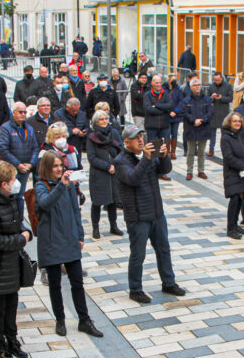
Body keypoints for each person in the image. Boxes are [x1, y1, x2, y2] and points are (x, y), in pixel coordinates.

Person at [34, 152, 103, 338]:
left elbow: (75, 211)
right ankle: (60, 319)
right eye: (54, 166)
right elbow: (45, 204)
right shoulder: (41, 185)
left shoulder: (70, 186)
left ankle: (84, 320)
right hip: (51, 241)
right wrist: (61, 186)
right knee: (55, 284)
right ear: (47, 168)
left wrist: (80, 235)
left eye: (60, 166)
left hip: (69, 239)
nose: (58, 169)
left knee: (77, 283)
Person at [114, 125, 186, 303]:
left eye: (141, 136)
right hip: (138, 217)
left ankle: (169, 283)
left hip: (156, 212)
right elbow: (133, 179)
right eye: (135, 138)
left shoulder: (149, 154)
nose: (140, 140)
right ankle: (135, 289)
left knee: (164, 249)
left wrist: (163, 155)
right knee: (138, 254)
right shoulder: (120, 161)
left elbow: (164, 170)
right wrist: (146, 159)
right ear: (126, 142)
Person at [0, 162, 33, 358]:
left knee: (12, 304)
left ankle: (12, 339)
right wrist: (22, 239)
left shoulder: (8, 199)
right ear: (3, 184)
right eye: (13, 181)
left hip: (13, 262)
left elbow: (17, 222)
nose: (16, 184)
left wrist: (24, 230)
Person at [87, 112, 124, 239]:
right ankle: (95, 228)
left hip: (114, 172)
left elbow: (121, 149)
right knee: (97, 201)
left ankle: (113, 226)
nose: (104, 121)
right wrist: (107, 166)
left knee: (113, 201)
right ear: (95, 122)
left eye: (106, 119)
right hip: (99, 173)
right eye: (101, 119)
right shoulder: (91, 136)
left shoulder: (113, 133)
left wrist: (115, 165)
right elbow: (91, 157)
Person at [220, 112, 244, 239]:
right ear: (229, 122)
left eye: (239, 121)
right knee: (234, 199)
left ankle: (235, 225)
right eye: (234, 121)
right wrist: (242, 166)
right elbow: (228, 157)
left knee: (240, 198)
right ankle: (230, 228)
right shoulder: (225, 138)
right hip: (232, 172)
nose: (237, 123)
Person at [0, 102, 39, 197]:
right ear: (14, 112)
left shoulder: (29, 128)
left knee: (20, 196)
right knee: (11, 196)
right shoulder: (5, 128)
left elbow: (35, 148)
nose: (23, 114)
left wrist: (31, 164)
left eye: (25, 112)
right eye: (20, 112)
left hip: (25, 169)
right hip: (11, 169)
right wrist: (17, 164)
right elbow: (3, 150)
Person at [181, 76, 214, 180]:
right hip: (191, 128)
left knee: (201, 152)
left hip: (203, 128)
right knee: (190, 152)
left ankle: (201, 170)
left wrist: (202, 120)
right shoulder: (187, 100)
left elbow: (210, 112)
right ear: (191, 87)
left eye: (199, 85)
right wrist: (193, 120)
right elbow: (185, 112)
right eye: (195, 85)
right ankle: (189, 171)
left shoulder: (207, 99)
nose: (197, 87)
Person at [207, 72, 233, 157]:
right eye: (215, 80)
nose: (217, 81)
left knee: (224, 134)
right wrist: (211, 97)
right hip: (213, 112)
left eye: (218, 80)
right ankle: (211, 149)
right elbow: (206, 99)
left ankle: (224, 150)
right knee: (212, 133)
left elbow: (230, 98)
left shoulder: (228, 86)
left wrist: (222, 98)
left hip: (223, 113)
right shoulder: (211, 86)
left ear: (221, 78)